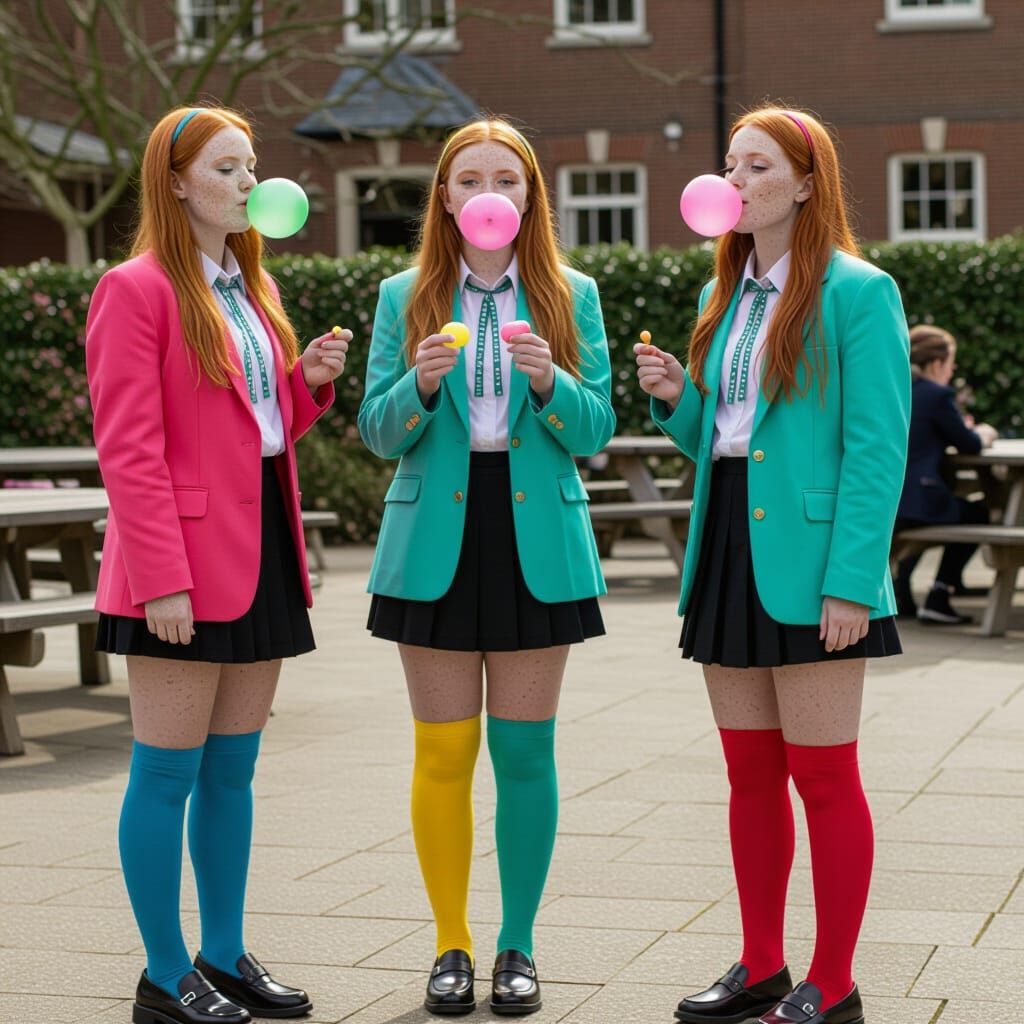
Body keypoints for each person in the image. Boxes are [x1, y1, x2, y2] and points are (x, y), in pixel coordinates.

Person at [634, 106, 910, 1024]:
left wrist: (852, 580)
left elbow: (877, 448)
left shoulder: (858, 291)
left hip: (816, 560)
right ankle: (761, 966)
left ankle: (834, 983)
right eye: (730, 164)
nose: (736, 181)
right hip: (727, 550)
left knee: (824, 777)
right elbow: (727, 441)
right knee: (749, 775)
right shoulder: (728, 296)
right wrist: (681, 398)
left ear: (804, 182)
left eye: (757, 167)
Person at [86, 106, 349, 1024]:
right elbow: (130, 447)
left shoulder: (249, 287)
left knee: (232, 773)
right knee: (165, 774)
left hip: (260, 552)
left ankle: (224, 952)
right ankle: (165, 974)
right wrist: (160, 574)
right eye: (228, 169)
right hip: (178, 569)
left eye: (251, 166)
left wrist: (303, 382)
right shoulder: (137, 287)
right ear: (178, 181)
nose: (249, 183)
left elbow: (255, 431)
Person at [358, 118, 614, 1016]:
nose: (487, 191)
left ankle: (519, 946)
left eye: (506, 176)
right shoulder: (406, 294)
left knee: (524, 753)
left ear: (530, 194)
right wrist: (418, 383)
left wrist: (551, 383)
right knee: (443, 751)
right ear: (446, 196)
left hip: (536, 538)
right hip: (433, 543)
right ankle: (451, 946)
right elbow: (377, 432)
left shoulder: (571, 293)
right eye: (469, 178)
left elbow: (596, 430)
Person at [893, 324, 998, 624]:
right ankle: (940, 594)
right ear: (937, 364)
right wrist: (983, 432)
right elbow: (969, 444)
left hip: (892, 498)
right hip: (917, 500)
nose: (951, 372)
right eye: (951, 365)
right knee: (977, 514)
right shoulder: (936, 394)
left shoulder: (896, 388)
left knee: (939, 512)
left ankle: (903, 592)